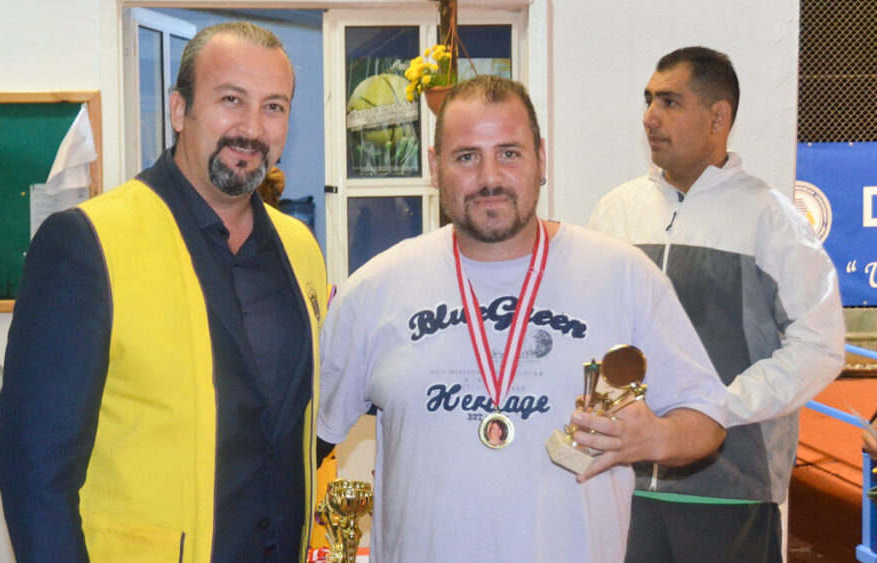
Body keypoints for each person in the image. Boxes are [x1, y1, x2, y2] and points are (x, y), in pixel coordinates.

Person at [316, 75, 727, 562]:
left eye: (509, 153)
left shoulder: (624, 277)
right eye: (466, 156)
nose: (490, 177)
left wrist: (655, 436)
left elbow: (708, 419)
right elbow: (308, 441)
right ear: (434, 167)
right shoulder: (375, 289)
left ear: (541, 159)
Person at [0, 22, 327, 562]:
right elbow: (35, 474)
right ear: (179, 109)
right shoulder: (86, 243)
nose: (251, 128)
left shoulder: (301, 250)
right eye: (231, 100)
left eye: (274, 107)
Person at [588, 46, 846, 562]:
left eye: (669, 102)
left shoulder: (771, 219)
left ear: (718, 117)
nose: (649, 117)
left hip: (729, 488)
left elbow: (821, 346)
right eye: (648, 100)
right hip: (623, 486)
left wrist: (714, 411)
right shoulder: (615, 212)